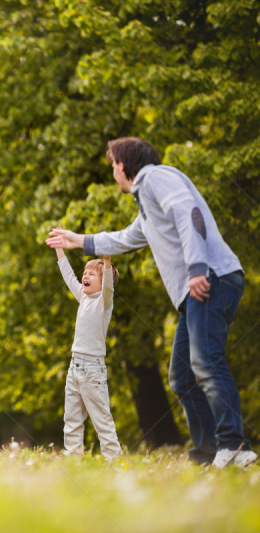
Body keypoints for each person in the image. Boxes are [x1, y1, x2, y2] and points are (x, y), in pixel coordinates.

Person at [46, 137, 256, 468]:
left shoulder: (156, 177)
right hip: (196, 292)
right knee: (183, 377)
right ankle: (207, 455)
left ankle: (236, 446)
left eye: (113, 164)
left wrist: (198, 268)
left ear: (123, 165)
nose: (113, 171)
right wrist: (78, 241)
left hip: (211, 279)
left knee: (206, 363)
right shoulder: (148, 204)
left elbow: (191, 214)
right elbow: (125, 239)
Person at [52, 238, 121, 458]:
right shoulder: (83, 296)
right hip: (74, 368)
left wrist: (107, 261)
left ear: (102, 282)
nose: (85, 276)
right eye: (85, 272)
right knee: (71, 419)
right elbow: (68, 275)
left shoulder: (104, 301)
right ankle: (73, 457)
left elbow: (109, 286)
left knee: (102, 420)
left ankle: (115, 460)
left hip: (93, 371)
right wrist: (59, 250)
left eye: (92, 274)